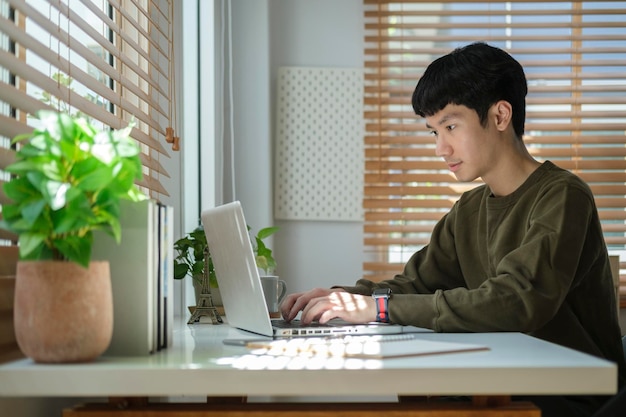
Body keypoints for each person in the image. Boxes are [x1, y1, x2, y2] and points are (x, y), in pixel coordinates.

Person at [280, 42, 626, 417]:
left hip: (568, 397)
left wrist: (376, 308)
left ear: (499, 116)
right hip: (500, 381)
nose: (441, 148)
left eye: (450, 126)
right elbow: (416, 284)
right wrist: (343, 296)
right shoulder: (470, 210)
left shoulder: (563, 195)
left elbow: (516, 301)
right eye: (433, 132)